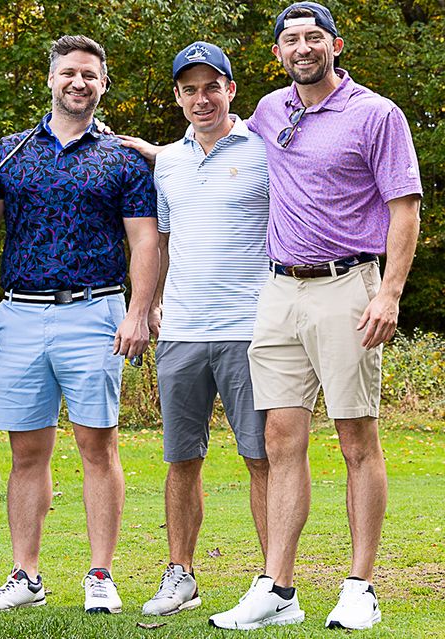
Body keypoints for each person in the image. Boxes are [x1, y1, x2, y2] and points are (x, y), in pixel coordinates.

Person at [208, 2, 422, 631]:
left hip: (348, 287)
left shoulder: (376, 114)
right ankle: (278, 588)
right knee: (279, 441)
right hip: (278, 293)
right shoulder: (272, 112)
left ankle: (360, 586)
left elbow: (404, 208)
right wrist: (140, 147)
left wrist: (389, 294)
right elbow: (211, 131)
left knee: (357, 438)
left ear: (335, 45)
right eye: (290, 39)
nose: (302, 47)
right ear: (276, 52)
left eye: (313, 37)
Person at [0, 35, 158, 614]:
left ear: (102, 84)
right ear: (51, 79)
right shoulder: (11, 152)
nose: (78, 83)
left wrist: (139, 311)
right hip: (20, 313)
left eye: (89, 75)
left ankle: (100, 574)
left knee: (98, 444)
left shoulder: (122, 156)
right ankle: (26, 575)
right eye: (69, 73)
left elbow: (144, 240)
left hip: (96, 310)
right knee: (26, 453)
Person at [117, 42, 271, 617]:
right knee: (181, 458)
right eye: (189, 89)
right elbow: (162, 241)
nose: (201, 98)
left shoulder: (263, 148)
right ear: (178, 96)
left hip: (250, 329)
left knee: (261, 458)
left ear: (231, 90)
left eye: (212, 87)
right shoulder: (171, 162)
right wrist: (147, 305)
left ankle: (272, 580)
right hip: (182, 330)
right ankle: (180, 575)